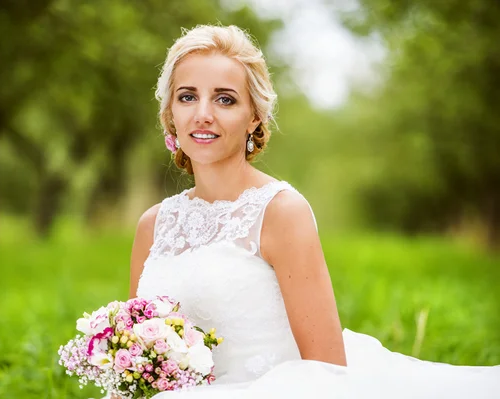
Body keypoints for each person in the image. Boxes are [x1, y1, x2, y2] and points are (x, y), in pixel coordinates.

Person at [129, 24, 499, 398]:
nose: (203, 114)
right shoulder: (153, 225)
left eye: (225, 99)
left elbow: (327, 370)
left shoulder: (280, 212)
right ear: (170, 113)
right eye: (187, 97)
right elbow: (135, 353)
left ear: (255, 117)